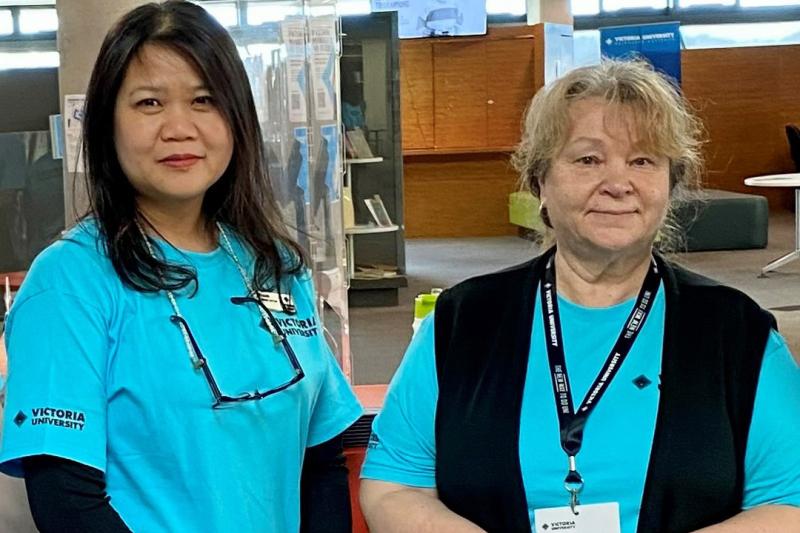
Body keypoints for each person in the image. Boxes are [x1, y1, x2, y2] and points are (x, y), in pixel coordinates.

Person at [359, 60, 800, 533]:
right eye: (588, 159)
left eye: (643, 160)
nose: (617, 183)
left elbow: (788, 502)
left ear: (670, 186)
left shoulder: (736, 331)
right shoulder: (461, 322)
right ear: (540, 182)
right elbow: (394, 486)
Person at [0, 2, 362, 532]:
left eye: (204, 100)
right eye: (149, 102)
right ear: (107, 124)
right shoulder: (70, 283)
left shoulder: (273, 264)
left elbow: (321, 459)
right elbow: (66, 503)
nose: (179, 127)